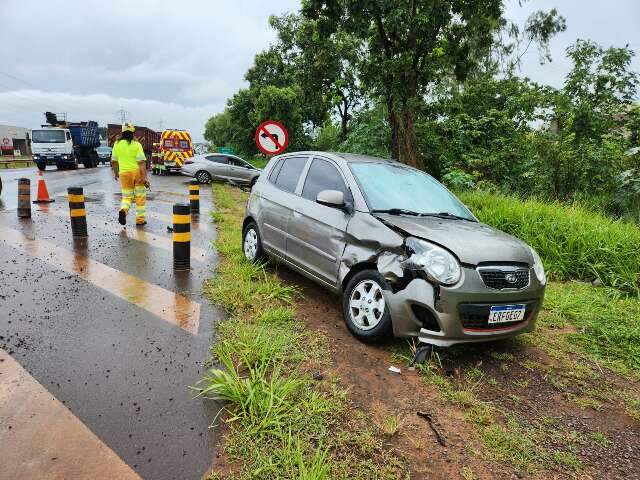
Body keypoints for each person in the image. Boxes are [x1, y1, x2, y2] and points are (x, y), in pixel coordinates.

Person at [111, 123, 149, 226]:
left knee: (127, 197)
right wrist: (145, 177)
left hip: (124, 174)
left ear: (122, 132)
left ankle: (123, 210)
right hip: (137, 173)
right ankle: (140, 220)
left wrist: (116, 173)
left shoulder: (117, 144)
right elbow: (141, 162)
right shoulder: (137, 145)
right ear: (133, 132)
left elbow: (114, 162)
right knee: (140, 197)